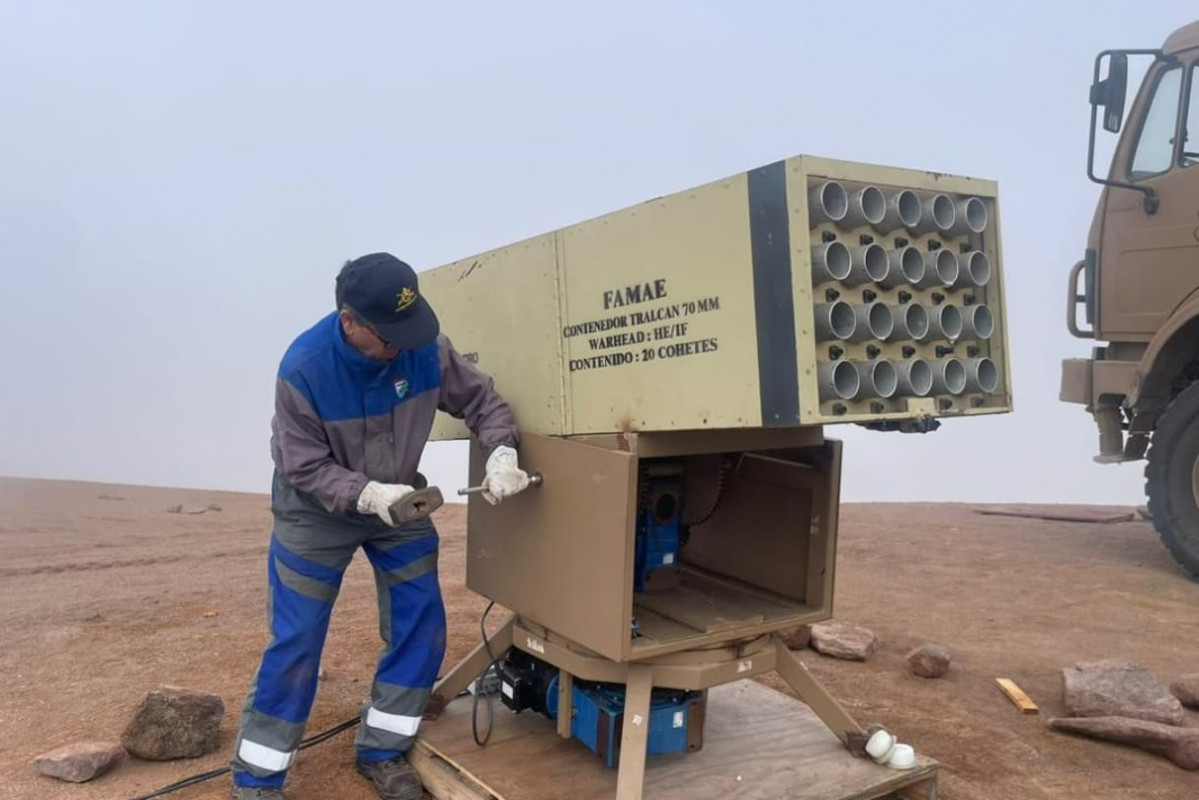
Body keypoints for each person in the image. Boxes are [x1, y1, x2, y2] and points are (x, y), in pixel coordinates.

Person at [229, 252, 529, 800]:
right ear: (350, 321)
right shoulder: (303, 369)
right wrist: (364, 494)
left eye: (407, 332)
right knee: (297, 638)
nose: (401, 348)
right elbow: (302, 463)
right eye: (388, 337)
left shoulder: (424, 350)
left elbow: (482, 400)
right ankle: (258, 779)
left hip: (399, 502)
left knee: (421, 620)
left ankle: (384, 748)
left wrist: (502, 452)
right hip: (315, 510)